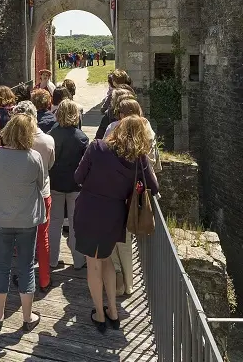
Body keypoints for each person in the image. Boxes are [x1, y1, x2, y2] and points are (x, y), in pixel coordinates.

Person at [74, 116, 159, 333]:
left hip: (89, 208)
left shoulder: (97, 147)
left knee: (93, 264)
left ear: (118, 129)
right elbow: (153, 187)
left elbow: (78, 176)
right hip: (114, 212)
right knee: (106, 259)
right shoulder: (139, 159)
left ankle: (99, 315)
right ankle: (113, 310)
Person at [0, 113, 45, 333]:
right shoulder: (34, 156)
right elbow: (41, 182)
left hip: (1, 217)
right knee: (26, 266)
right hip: (27, 217)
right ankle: (27, 317)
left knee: (1, 266)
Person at [11, 100, 55, 295]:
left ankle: (23, 276)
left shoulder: (12, 143)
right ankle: (44, 279)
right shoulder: (47, 140)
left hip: (20, 194)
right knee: (42, 238)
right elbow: (50, 165)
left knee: (21, 239)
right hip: (42, 192)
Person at [47, 100, 89, 271]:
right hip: (75, 184)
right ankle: (78, 260)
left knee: (55, 222)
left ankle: (52, 260)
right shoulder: (81, 137)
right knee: (74, 223)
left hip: (55, 182)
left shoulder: (51, 135)